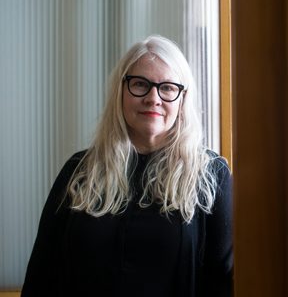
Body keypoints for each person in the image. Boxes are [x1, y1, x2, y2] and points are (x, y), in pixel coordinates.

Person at [21, 35, 233, 297]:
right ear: (121, 91)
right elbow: (42, 276)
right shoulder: (79, 171)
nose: (153, 97)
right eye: (140, 84)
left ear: (182, 99)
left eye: (167, 87)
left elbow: (223, 281)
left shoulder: (211, 174)